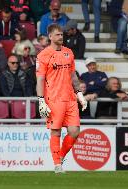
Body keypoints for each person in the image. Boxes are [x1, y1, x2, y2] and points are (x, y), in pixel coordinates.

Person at [36, 24, 87, 173]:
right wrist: (41, 100)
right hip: (54, 99)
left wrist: (79, 94)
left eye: (62, 34)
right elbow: (40, 79)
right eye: (57, 35)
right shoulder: (43, 55)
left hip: (70, 98)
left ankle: (59, 157)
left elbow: (73, 75)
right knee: (56, 132)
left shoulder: (69, 52)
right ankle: (58, 165)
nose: (61, 37)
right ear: (50, 37)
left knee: (74, 131)